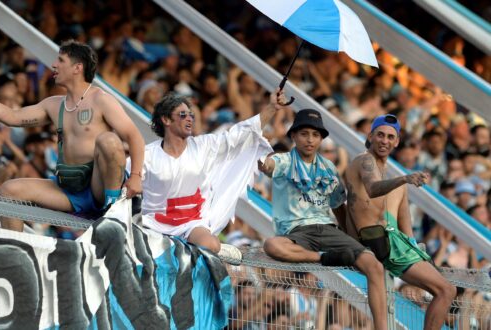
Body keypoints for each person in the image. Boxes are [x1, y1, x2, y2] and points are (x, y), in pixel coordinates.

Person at [0, 40, 145, 231]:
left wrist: (135, 176)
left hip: (98, 188)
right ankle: (16, 253)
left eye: (60, 60)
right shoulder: (53, 104)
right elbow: (11, 117)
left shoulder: (101, 99)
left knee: (108, 140)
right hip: (68, 188)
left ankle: (113, 216)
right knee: (9, 190)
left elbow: (134, 137)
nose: (54, 65)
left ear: (77, 67)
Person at [258, 105, 388, 330]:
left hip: (328, 230)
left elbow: (339, 207)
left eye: (316, 135)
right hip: (296, 233)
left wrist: (353, 240)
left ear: (320, 139)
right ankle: (324, 258)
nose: (310, 139)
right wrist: (259, 152)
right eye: (304, 134)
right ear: (293, 136)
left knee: (374, 265)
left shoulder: (328, 167)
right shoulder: (284, 161)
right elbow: (266, 164)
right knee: (271, 245)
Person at [138, 89, 282, 259]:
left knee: (210, 244)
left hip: (191, 224)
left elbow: (240, 134)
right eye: (183, 114)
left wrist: (272, 107)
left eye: (191, 114)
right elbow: (121, 177)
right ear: (166, 119)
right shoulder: (146, 155)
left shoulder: (203, 146)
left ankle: (215, 248)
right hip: (154, 224)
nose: (190, 118)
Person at [345, 114, 456, 329]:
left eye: (390, 137)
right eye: (380, 135)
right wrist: (405, 178)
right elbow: (372, 189)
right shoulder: (364, 160)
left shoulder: (382, 169)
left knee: (401, 189)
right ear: (370, 136)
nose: (384, 141)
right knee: (446, 290)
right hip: (377, 239)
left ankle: (413, 246)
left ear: (396, 142)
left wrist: (413, 246)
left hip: (386, 238)